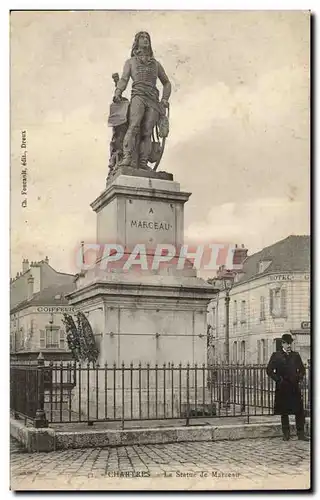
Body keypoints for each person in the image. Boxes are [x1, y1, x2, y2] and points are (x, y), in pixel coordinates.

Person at [113, 31, 171, 169]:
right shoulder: (131, 62)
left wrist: (164, 99)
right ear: (136, 42)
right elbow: (124, 79)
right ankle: (127, 157)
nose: (145, 40)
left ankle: (143, 162)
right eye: (142, 38)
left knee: (147, 131)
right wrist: (118, 91)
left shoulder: (156, 64)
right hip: (138, 96)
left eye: (147, 38)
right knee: (134, 126)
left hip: (153, 99)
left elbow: (167, 83)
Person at [266, 334, 309, 441]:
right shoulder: (276, 355)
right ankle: (286, 434)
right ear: (282, 344)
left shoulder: (296, 355)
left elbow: (302, 370)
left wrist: (298, 378)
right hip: (282, 387)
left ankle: (301, 434)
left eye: (290, 343)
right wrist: (279, 380)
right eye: (287, 343)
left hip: (294, 387)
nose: (289, 345)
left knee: (299, 411)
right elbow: (269, 370)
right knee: (284, 411)